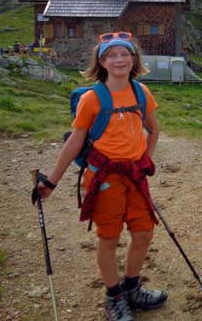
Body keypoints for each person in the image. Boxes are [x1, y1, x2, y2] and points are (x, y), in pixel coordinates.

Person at [35, 32, 167, 321]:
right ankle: (114, 296)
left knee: (144, 232)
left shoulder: (142, 93)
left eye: (125, 54)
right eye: (111, 55)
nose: (119, 59)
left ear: (134, 59)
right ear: (102, 61)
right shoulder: (92, 99)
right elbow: (74, 141)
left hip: (134, 175)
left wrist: (145, 159)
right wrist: (52, 181)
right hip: (103, 177)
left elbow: (154, 130)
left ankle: (132, 288)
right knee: (109, 237)